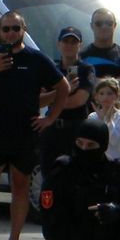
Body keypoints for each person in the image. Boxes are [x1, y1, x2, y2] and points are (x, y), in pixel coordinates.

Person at [0, 11, 69, 240]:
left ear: (24, 29)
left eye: (15, 28)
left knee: (20, 186)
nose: (11, 33)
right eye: (6, 29)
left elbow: (62, 87)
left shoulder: (35, 59)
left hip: (25, 133)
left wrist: (50, 118)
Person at [41, 25, 93, 164]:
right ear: (59, 44)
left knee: (74, 173)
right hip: (51, 129)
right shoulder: (51, 69)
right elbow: (40, 100)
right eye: (66, 41)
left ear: (80, 45)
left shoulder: (86, 69)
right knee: (49, 173)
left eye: (74, 42)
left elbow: (79, 100)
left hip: (76, 129)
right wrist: (66, 90)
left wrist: (53, 98)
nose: (69, 45)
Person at [80, 7, 120, 85]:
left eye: (109, 23)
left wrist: (93, 81)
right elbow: (76, 85)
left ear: (115, 25)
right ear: (92, 26)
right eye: (99, 24)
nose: (104, 27)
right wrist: (117, 81)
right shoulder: (80, 56)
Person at [86, 77, 120, 160]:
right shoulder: (92, 116)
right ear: (96, 97)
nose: (105, 97)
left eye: (109, 93)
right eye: (101, 93)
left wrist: (106, 120)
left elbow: (114, 141)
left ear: (116, 96)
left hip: (116, 160)